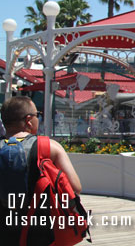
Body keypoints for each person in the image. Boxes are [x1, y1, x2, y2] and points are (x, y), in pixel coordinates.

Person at [0, 97, 82, 245]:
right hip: (40, 230)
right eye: (38, 114)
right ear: (29, 120)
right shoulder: (49, 147)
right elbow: (75, 187)